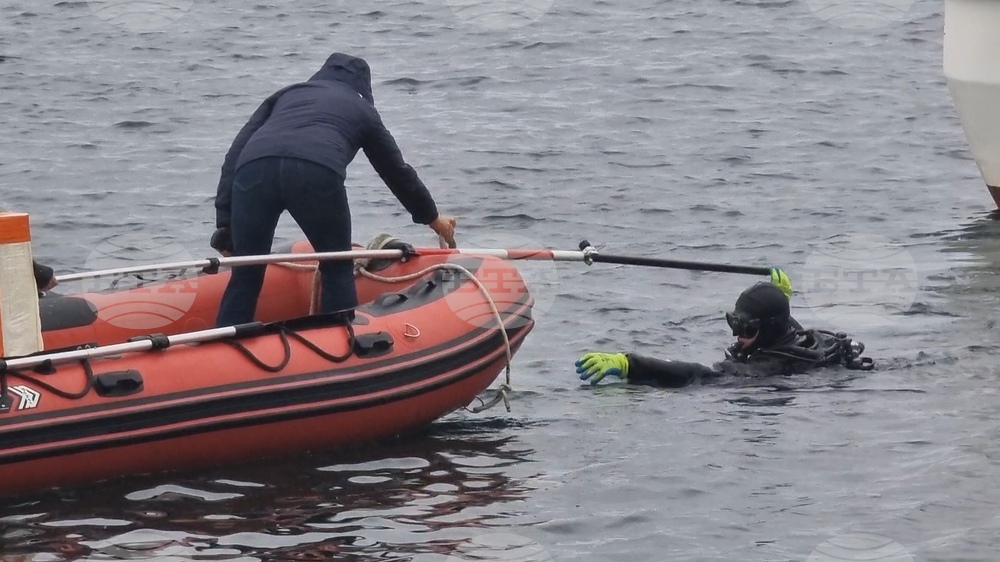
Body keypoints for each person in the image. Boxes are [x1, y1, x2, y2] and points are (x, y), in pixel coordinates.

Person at [211, 52, 457, 327]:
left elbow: (234, 155)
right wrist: (432, 218)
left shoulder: (286, 95)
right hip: (314, 171)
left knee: (246, 272)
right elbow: (396, 172)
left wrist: (226, 225)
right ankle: (340, 343)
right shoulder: (363, 110)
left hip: (253, 170)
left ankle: (223, 343)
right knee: (336, 265)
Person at [575, 273, 873, 388]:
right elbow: (780, 322)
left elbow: (699, 374)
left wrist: (631, 364)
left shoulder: (768, 365)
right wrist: (778, 296)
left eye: (746, 328)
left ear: (768, 329)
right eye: (734, 324)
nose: (737, 336)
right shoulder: (794, 339)